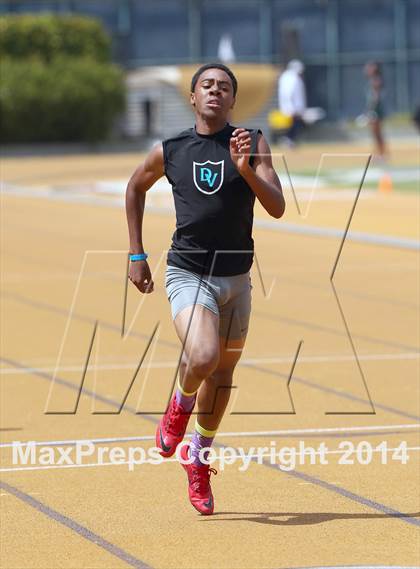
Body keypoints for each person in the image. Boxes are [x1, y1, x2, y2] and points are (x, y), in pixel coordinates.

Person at [125, 62, 285, 515]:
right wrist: (136, 253)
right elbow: (134, 188)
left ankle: (198, 455)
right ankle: (178, 406)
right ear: (193, 98)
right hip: (188, 272)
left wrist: (246, 169)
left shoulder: (252, 143)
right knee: (202, 356)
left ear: (233, 100)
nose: (215, 92)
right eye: (207, 86)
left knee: (223, 375)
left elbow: (276, 206)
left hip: (237, 279)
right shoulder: (171, 149)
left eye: (224, 88)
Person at [277, 59, 307, 146]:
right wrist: (291, 106)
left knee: (295, 124)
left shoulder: (287, 76)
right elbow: (289, 92)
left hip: (292, 106)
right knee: (293, 124)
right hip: (292, 106)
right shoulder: (292, 78)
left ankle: (289, 139)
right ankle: (288, 139)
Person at [364, 61, 387, 159]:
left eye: (370, 68)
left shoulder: (376, 79)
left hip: (376, 111)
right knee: (375, 133)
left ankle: (382, 154)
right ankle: (379, 153)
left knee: (377, 133)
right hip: (374, 110)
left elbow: (376, 96)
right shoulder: (371, 80)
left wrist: (371, 110)